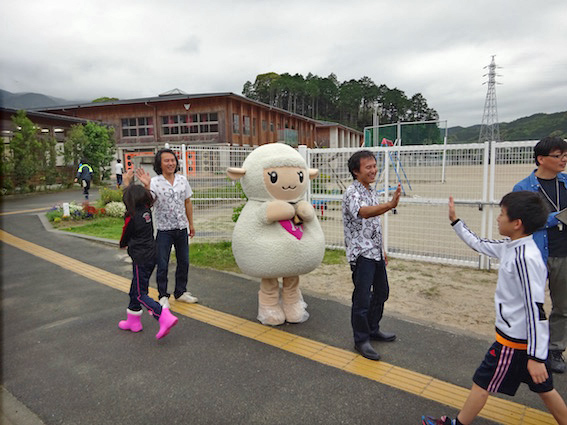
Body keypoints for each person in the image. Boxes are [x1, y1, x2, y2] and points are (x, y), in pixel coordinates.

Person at [423, 191, 567, 425]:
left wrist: (537, 357)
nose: (498, 219)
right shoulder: (511, 246)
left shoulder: (525, 257)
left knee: (482, 384)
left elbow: (535, 310)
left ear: (517, 223)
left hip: (514, 343)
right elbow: (480, 244)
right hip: (520, 342)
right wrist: (455, 221)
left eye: (502, 214)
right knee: (544, 389)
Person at [513, 136, 567, 374]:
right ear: (541, 159)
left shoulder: (565, 184)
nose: (563, 160)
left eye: (565, 155)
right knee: (531, 304)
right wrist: (557, 218)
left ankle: (555, 350)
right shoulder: (524, 188)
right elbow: (521, 222)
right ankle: (526, 348)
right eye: (558, 155)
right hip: (535, 255)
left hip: (563, 254)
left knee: (562, 307)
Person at [342, 150, 401, 361]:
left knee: (382, 292)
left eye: (374, 166)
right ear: (355, 171)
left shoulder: (370, 190)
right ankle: (361, 340)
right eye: (368, 167)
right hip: (361, 253)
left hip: (375, 252)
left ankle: (373, 329)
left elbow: (373, 225)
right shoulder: (352, 192)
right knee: (362, 298)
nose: (373, 170)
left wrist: (382, 249)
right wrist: (390, 205)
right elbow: (364, 212)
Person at [117, 171, 178, 340]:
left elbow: (125, 235)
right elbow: (142, 197)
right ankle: (133, 322)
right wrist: (145, 186)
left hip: (141, 257)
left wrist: (122, 244)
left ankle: (162, 315)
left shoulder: (132, 216)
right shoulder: (146, 211)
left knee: (139, 293)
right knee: (134, 289)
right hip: (152, 254)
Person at [136, 149, 197, 308]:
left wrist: (190, 223)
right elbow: (148, 204)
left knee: (184, 261)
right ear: (160, 163)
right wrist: (147, 185)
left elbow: (187, 203)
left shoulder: (182, 180)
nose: (170, 163)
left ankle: (180, 292)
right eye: (166, 161)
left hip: (181, 227)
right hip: (163, 230)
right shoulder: (155, 182)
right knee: (162, 263)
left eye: (172, 160)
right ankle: (163, 295)